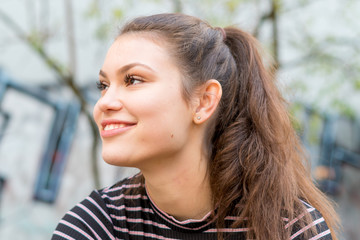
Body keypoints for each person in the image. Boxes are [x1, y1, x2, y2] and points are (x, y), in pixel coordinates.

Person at [52, 13, 339, 240]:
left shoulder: (291, 230)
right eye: (103, 85)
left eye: (133, 80)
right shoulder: (94, 227)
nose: (104, 103)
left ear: (203, 101)